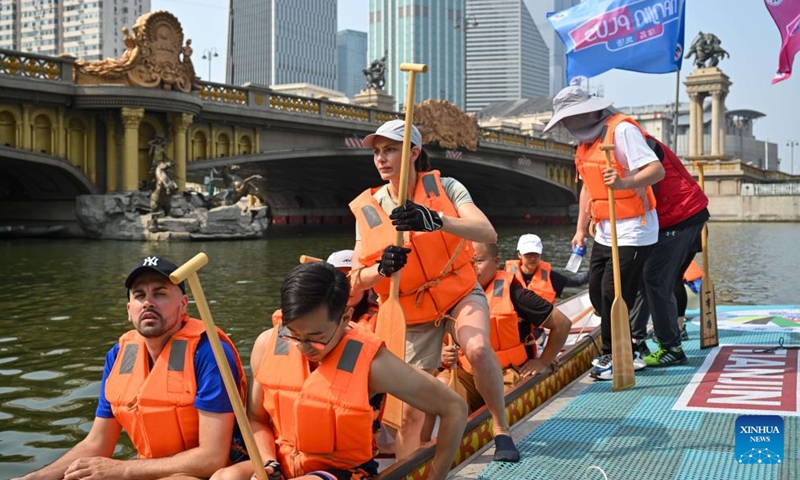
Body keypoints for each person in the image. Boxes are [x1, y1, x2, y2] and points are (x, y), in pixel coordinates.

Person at [349, 119, 519, 461]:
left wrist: (436, 219)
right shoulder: (367, 209)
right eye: (377, 152)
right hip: (409, 311)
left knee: (479, 348)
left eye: (391, 150)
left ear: (413, 152)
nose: (381, 158)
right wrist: (380, 269)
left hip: (457, 293)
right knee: (411, 413)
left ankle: (500, 428)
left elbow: (487, 233)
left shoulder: (449, 187)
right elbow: (354, 280)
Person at [211, 262, 467, 480]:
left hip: (344, 473)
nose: (302, 347)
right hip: (282, 466)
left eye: (316, 337)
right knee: (224, 476)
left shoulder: (374, 364)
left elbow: (453, 408)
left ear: (345, 318)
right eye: (293, 334)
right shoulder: (267, 344)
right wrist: (267, 462)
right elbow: (256, 418)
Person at [16, 256, 247, 480]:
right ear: (129, 310)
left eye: (160, 293)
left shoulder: (209, 353)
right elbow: (98, 443)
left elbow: (211, 458)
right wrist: (35, 477)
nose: (148, 302)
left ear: (183, 304)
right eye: (139, 295)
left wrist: (122, 470)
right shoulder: (120, 356)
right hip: (147, 470)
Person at [543, 86, 665, 381]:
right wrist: (580, 228)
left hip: (635, 228)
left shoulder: (622, 131)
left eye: (569, 119)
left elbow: (656, 170)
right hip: (604, 229)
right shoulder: (583, 146)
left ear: (588, 112)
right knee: (597, 291)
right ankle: (627, 345)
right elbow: (587, 186)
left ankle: (618, 353)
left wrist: (623, 183)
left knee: (614, 291)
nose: (567, 126)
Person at [441, 242, 572, 413]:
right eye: (467, 262)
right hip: (466, 372)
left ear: (496, 262)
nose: (472, 268)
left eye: (479, 261)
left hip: (508, 373)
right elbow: (431, 334)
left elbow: (562, 324)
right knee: (438, 389)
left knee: (504, 404)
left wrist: (542, 362)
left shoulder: (516, 294)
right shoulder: (451, 293)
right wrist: (442, 351)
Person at [628, 133, 709, 367]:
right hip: (667, 220)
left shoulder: (632, 140)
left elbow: (644, 186)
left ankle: (671, 346)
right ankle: (638, 339)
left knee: (657, 278)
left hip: (681, 217)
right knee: (650, 277)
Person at [505, 233, 590, 303]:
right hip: (514, 322)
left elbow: (577, 282)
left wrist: (596, 269)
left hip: (542, 323)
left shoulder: (549, 276)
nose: (533, 258)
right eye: (528, 254)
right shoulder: (507, 276)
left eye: (536, 254)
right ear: (519, 255)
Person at [326, 249, 379, 331]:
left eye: (356, 279)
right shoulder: (309, 313)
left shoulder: (380, 318)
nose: (350, 286)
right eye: (342, 279)